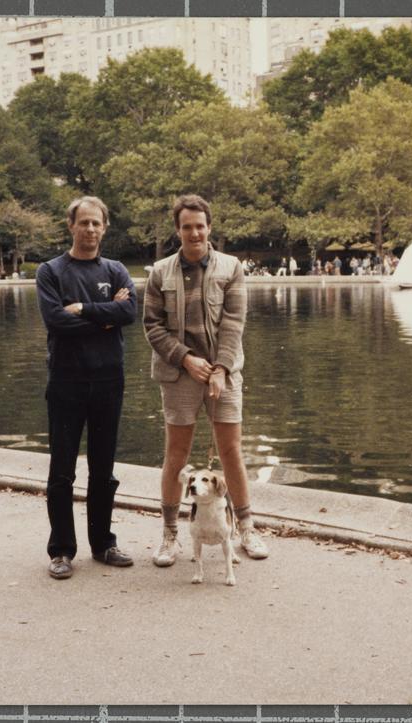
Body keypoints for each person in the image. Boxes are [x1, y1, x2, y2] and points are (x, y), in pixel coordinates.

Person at [143, 193, 269, 568]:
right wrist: (186, 358)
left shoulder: (231, 268)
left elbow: (234, 323)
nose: (194, 233)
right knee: (176, 455)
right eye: (187, 227)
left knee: (231, 452)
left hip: (221, 373)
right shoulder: (160, 272)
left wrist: (221, 369)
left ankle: (246, 527)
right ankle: (170, 534)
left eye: (200, 226)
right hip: (178, 374)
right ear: (178, 230)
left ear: (209, 227)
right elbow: (152, 326)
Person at [35, 195, 138, 580]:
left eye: (97, 223)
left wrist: (83, 309)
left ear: (104, 227)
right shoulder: (51, 271)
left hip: (108, 380)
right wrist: (106, 318)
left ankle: (103, 543)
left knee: (103, 469)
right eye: (84, 222)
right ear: (71, 225)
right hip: (66, 380)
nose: (90, 229)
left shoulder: (115, 270)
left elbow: (129, 312)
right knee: (62, 470)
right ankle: (62, 550)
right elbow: (56, 321)